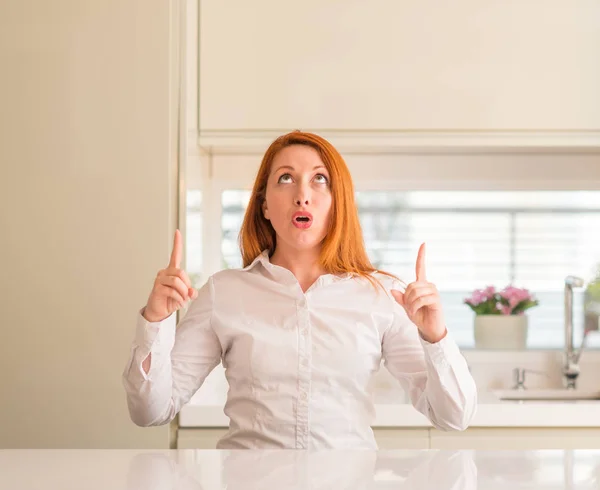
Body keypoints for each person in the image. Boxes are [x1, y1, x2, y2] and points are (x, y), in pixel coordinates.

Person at [122, 130, 477, 450]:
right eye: (286, 178)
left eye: (320, 179)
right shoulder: (223, 292)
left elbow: (454, 416)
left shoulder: (382, 296)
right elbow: (150, 411)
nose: (302, 195)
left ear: (338, 203)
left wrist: (436, 337)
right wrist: (156, 319)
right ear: (263, 205)